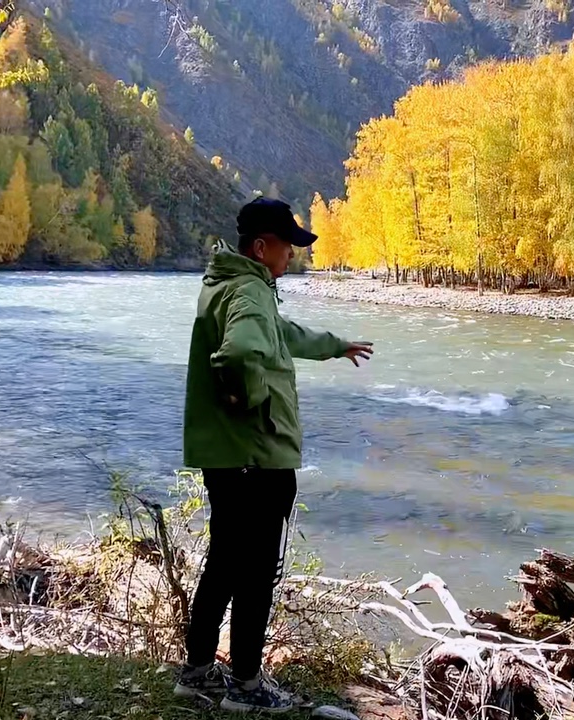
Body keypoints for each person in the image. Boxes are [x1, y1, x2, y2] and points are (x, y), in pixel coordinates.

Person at [175, 197, 373, 713]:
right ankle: (245, 685)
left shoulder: (227, 285)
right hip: (256, 458)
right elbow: (241, 352)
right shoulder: (251, 291)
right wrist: (254, 399)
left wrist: (334, 344)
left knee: (223, 561)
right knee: (257, 570)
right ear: (261, 247)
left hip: (227, 456)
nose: (292, 257)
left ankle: (197, 672)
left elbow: (279, 336)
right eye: (287, 247)